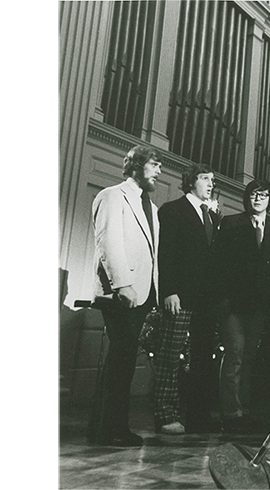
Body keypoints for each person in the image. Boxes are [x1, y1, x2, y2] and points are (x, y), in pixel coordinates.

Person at [87, 145, 161, 446]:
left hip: (141, 294)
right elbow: (109, 241)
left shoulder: (151, 207)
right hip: (122, 293)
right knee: (120, 361)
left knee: (124, 361)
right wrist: (122, 285)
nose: (158, 171)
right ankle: (110, 430)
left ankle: (106, 427)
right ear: (135, 166)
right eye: (154, 164)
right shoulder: (112, 195)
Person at [213, 180, 270, 433]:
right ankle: (231, 412)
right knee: (235, 353)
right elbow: (220, 263)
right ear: (247, 198)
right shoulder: (231, 223)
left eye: (263, 195)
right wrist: (222, 297)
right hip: (233, 303)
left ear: (269, 200)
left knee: (250, 357)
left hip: (260, 305)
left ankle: (245, 411)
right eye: (254, 194)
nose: (258, 199)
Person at [155, 163, 220, 434]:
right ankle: (165, 415)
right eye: (205, 178)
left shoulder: (214, 217)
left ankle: (198, 417)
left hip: (206, 300)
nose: (210, 184)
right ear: (191, 181)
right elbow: (166, 254)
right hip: (179, 296)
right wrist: (169, 290)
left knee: (203, 359)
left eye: (212, 180)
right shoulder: (173, 210)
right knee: (170, 357)